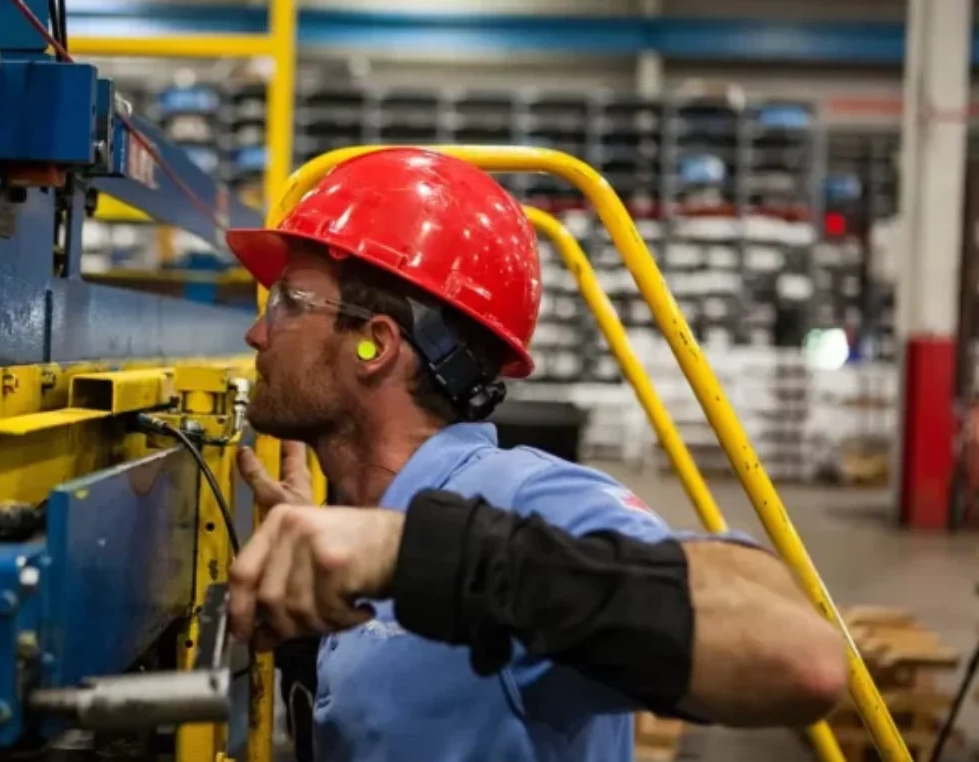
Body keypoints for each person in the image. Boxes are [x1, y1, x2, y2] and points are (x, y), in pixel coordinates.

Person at [223, 147, 848, 761]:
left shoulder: (521, 498)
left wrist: (417, 553)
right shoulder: (356, 533)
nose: (258, 332)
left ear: (375, 345)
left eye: (289, 304)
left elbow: (801, 657)